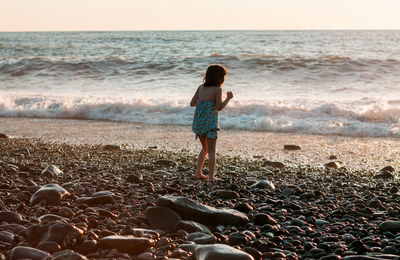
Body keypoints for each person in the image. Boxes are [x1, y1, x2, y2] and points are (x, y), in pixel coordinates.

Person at [190, 64, 233, 180]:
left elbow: (192, 103)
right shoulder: (217, 89)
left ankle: (198, 173)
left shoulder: (200, 87)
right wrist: (228, 98)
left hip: (199, 122)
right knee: (212, 151)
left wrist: (203, 103)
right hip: (210, 124)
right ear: (219, 77)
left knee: (205, 148)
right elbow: (219, 107)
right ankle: (211, 177)